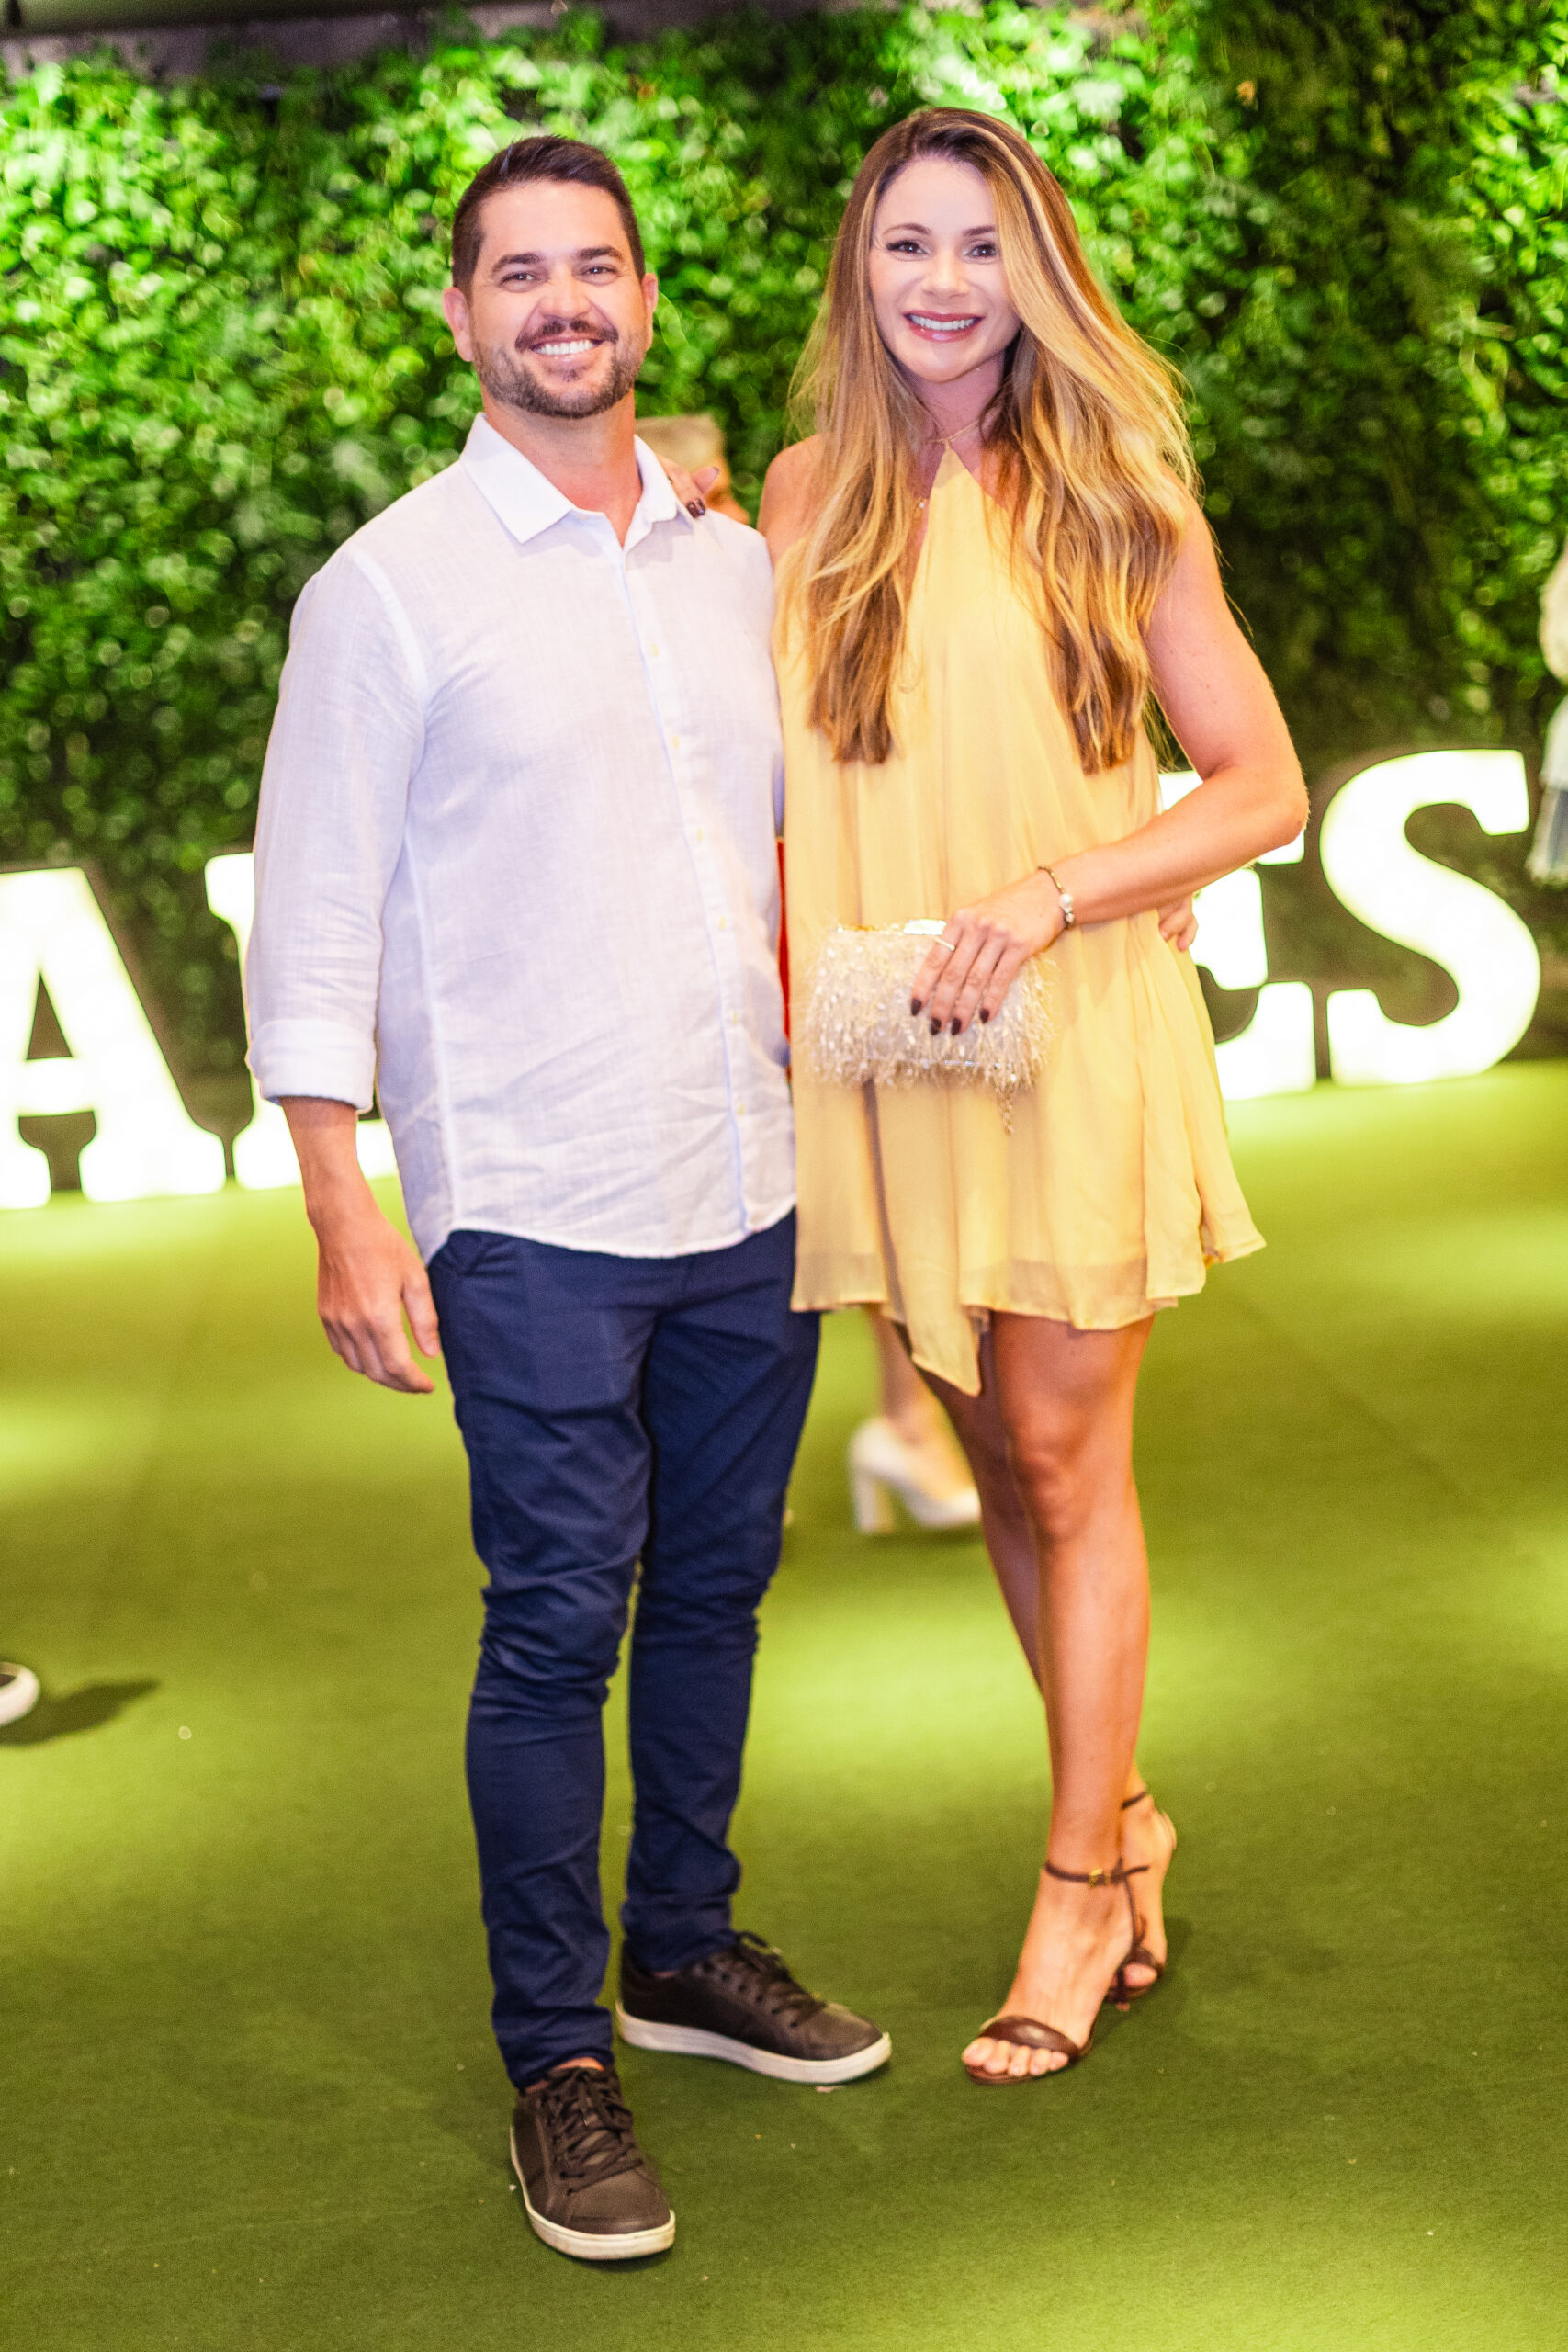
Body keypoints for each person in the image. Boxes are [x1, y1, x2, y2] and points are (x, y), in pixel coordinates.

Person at [246, 134, 888, 2266]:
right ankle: (555, 2051)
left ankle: (681, 1945)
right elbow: (314, 910)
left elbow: (830, 837)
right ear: (461, 317)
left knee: (713, 1595)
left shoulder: (732, 572)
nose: (560, 303)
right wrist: (340, 1196)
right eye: (516, 273)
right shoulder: (387, 587)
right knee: (552, 1624)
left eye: (592, 266)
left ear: (640, 298)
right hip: (526, 1196)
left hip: (751, 1174)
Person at [761, 108, 1306, 2085]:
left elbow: (1260, 783)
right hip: (898, 1047)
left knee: (1069, 1463)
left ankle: (1076, 1881)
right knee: (995, 1456)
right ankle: (1125, 1813)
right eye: (908, 242)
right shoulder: (804, 494)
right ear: (861, 265)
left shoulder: (1113, 486)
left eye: (982, 246)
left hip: (1069, 1025)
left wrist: (1061, 889)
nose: (941, 282)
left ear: (1036, 273)